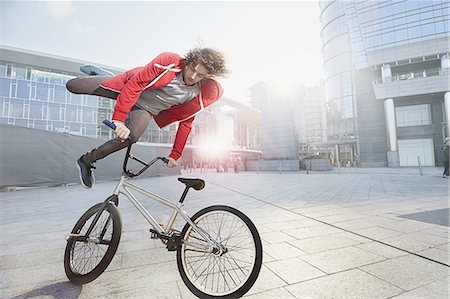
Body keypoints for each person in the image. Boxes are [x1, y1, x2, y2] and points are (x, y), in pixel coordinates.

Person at [66, 48, 229, 188]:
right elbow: (135, 85)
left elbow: (186, 123)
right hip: (129, 86)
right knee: (73, 86)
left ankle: (87, 161)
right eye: (192, 68)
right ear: (189, 61)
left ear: (206, 77)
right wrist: (119, 119)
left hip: (144, 108)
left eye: (199, 75)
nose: (193, 76)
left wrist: (175, 154)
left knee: (131, 137)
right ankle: (105, 76)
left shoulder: (196, 94)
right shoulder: (169, 62)